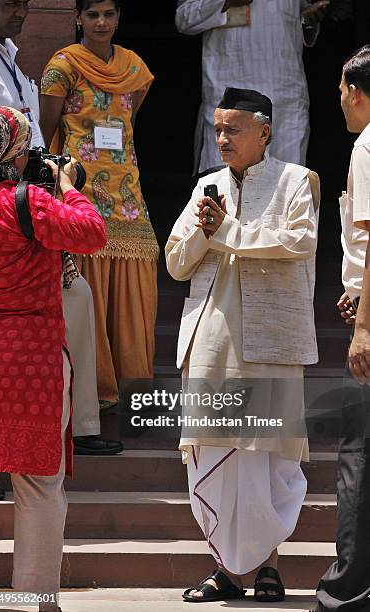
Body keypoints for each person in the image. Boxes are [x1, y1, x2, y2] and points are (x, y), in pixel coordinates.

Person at [166, 87, 320, 602]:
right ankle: (226, 570)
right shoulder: (206, 186)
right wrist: (203, 232)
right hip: (212, 337)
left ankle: (268, 565)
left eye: (233, 129)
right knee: (215, 453)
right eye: (218, 129)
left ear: (265, 131)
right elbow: (175, 262)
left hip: (272, 337)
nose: (223, 139)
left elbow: (298, 242)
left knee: (269, 457)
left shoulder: (296, 181)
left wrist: (227, 229)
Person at [0, 0, 121, 458]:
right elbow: (92, 231)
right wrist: (66, 189)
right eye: (11, 2)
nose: (22, 10)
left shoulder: (7, 55)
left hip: (31, 201)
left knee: (76, 296)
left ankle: (81, 424)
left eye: (27, 2)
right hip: (14, 206)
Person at [0, 106, 106, 611]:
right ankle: (35, 600)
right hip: (29, 361)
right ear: (16, 155)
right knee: (37, 484)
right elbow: (92, 232)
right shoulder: (25, 201)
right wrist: (67, 184)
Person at [40, 0, 159, 413]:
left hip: (127, 189)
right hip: (79, 188)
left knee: (135, 277)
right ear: (77, 19)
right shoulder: (62, 66)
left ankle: (129, 384)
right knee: (86, 277)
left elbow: (127, 124)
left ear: (119, 18)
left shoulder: (133, 68)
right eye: (92, 15)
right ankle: (96, 387)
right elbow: (47, 129)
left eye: (109, 14)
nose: (101, 23)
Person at [314, 44, 370, 612]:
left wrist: (364, 329)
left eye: (340, 92)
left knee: (359, 453)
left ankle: (348, 588)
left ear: (355, 92)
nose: (340, 103)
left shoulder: (368, 145)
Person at [175, 0, 328, 174]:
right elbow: (184, 18)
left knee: (288, 188)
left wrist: (310, 21)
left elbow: (300, 22)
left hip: (286, 98)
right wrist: (225, 2)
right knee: (225, 191)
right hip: (230, 96)